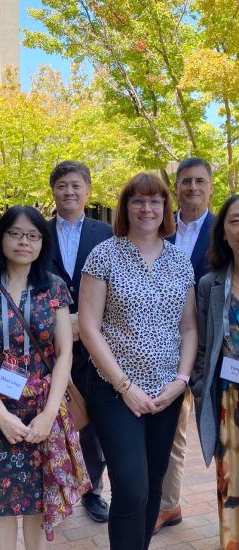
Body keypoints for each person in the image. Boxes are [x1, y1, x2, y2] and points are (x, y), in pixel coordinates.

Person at [0, 205, 90, 550]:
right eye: (15, 233)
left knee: (39, 501)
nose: (23, 242)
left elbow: (64, 355)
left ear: (42, 243)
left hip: (42, 411)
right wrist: (0, 416)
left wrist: (48, 415)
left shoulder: (55, 288)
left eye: (32, 236)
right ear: (0, 237)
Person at [79, 173, 197, 550]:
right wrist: (124, 386)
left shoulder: (180, 261)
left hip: (166, 393)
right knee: (131, 488)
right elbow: (89, 327)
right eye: (138, 201)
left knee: (150, 488)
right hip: (115, 392)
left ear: (166, 208)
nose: (147, 208)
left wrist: (181, 380)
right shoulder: (104, 254)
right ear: (125, 207)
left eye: (156, 201)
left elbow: (190, 328)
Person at [48, 160, 112, 522]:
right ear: (53, 191)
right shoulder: (38, 232)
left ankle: (92, 489)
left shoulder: (106, 233)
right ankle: (52, 486)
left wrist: (83, 322)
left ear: (87, 190)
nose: (69, 192)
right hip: (48, 343)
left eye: (76, 186)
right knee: (52, 414)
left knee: (93, 419)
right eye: (62, 186)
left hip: (95, 341)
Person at [155, 157, 214, 534]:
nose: (192, 188)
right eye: (185, 182)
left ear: (211, 186)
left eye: (199, 181)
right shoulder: (160, 229)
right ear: (175, 187)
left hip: (216, 352)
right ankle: (167, 505)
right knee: (170, 431)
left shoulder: (224, 229)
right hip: (167, 347)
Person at [193, 194, 239, 550]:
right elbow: (205, 347)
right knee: (231, 481)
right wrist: (198, 388)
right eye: (235, 220)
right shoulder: (210, 284)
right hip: (228, 397)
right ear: (223, 231)